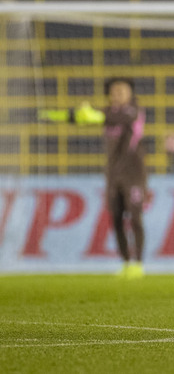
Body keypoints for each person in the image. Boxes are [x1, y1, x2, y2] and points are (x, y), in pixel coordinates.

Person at [40, 78, 148, 279]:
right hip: (113, 174)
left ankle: (138, 264)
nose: (118, 95)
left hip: (133, 174)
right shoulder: (106, 113)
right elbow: (86, 117)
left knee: (135, 218)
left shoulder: (134, 111)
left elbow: (105, 118)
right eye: (115, 91)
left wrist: (91, 115)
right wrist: (60, 115)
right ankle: (126, 263)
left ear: (130, 94)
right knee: (116, 218)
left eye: (122, 91)